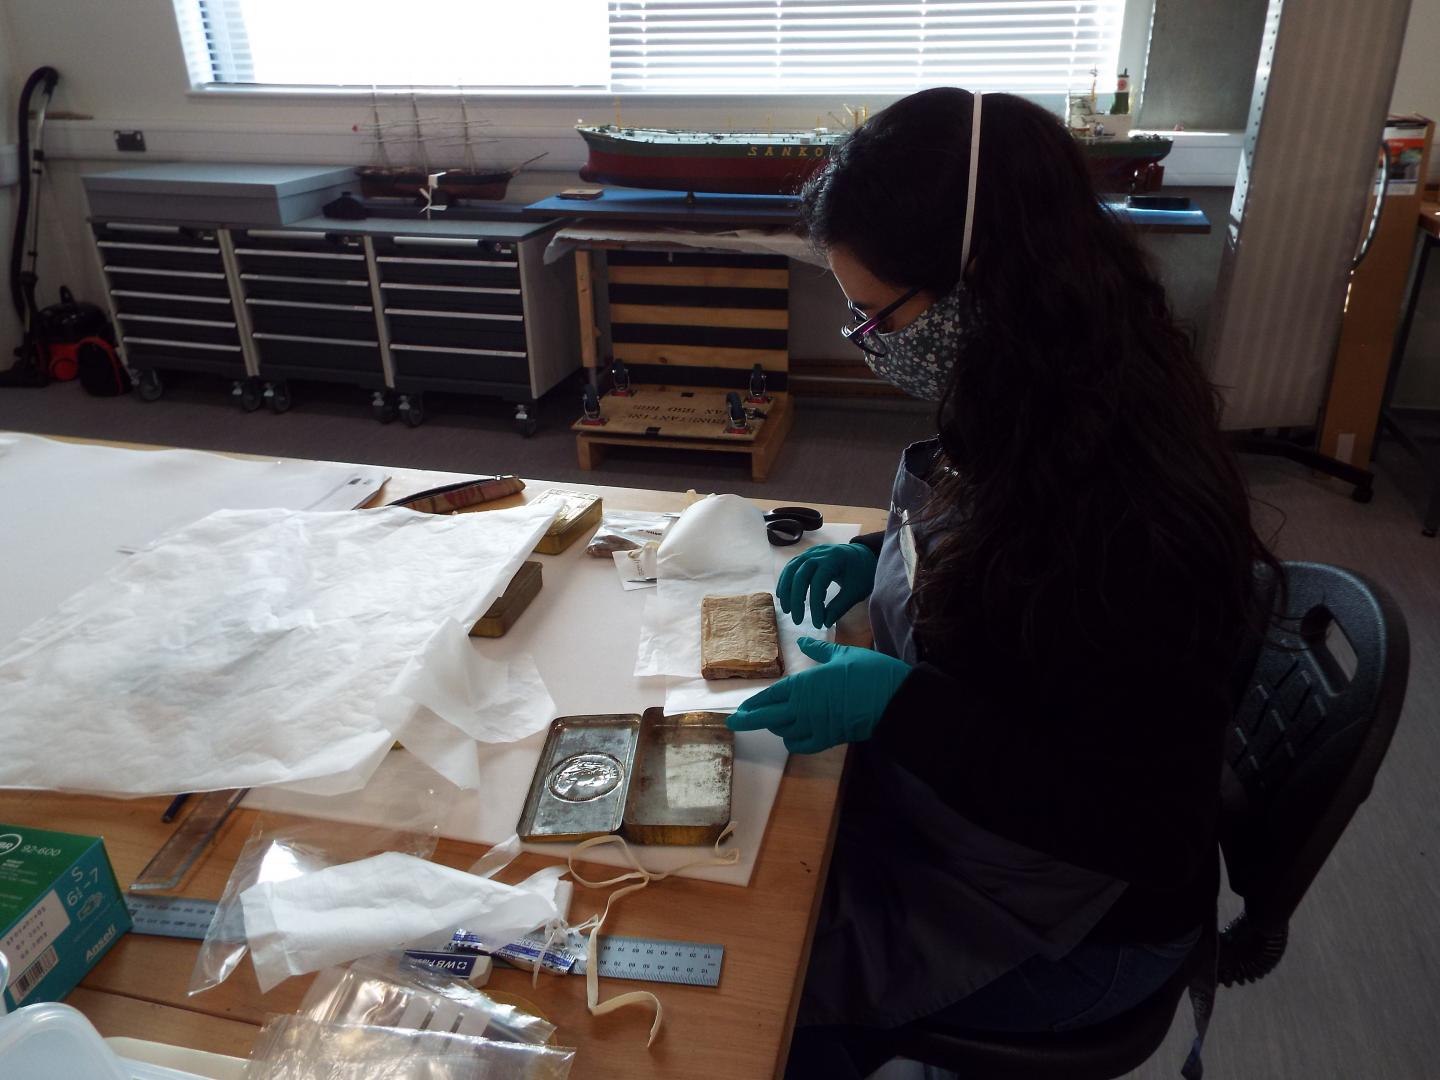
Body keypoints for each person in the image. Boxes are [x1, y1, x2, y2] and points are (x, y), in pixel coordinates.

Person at [725, 87, 1280, 1079]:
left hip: (1082, 921)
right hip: (994, 837)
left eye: (874, 314)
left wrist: (899, 709)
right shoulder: (1046, 379)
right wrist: (886, 561)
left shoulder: (1126, 509)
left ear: (981, 280)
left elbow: (1139, 828)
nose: (865, 340)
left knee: (742, 992)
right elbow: (993, 573)